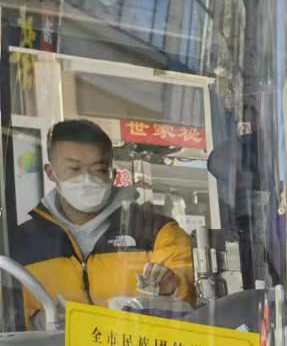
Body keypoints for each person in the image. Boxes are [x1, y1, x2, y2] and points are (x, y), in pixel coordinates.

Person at [14, 119, 193, 323]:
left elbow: (192, 299)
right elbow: (13, 319)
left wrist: (172, 288)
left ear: (112, 174)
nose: (87, 179)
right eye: (74, 168)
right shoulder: (20, 244)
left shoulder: (158, 233)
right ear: (51, 173)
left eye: (98, 169)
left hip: (133, 344)